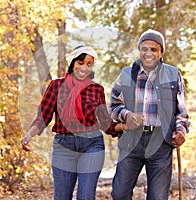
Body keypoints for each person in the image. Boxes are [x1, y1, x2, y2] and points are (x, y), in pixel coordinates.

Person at [21, 45, 125, 200]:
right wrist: (29, 135)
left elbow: (105, 123)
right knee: (62, 196)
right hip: (64, 145)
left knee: (85, 197)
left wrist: (124, 125)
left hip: (92, 145)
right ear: (72, 63)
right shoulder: (56, 86)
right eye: (80, 62)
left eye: (89, 64)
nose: (84, 67)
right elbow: (43, 116)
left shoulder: (96, 89)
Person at [108, 29, 190, 200]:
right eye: (144, 48)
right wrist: (126, 115)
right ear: (139, 50)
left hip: (161, 141)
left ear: (161, 53)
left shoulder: (173, 75)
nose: (148, 53)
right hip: (131, 140)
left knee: (158, 197)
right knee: (119, 194)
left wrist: (181, 131)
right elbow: (114, 106)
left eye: (154, 49)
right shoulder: (126, 74)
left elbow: (181, 112)